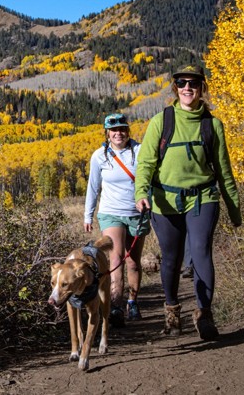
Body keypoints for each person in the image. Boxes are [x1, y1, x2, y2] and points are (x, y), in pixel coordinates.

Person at [134, 65, 241, 341]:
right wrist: (141, 193)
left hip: (203, 197)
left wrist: (234, 207)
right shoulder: (162, 121)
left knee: (201, 252)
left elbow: (224, 170)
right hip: (165, 201)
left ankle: (204, 314)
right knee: (171, 258)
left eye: (193, 83)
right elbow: (145, 162)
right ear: (175, 88)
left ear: (201, 88)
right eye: (181, 83)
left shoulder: (212, 125)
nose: (187, 88)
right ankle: (172, 311)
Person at [84, 112, 150, 328]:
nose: (118, 133)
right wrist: (88, 215)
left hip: (136, 213)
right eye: (113, 130)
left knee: (133, 262)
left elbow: (150, 178)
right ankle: (115, 306)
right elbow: (93, 187)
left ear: (127, 131)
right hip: (110, 212)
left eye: (122, 129)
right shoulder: (99, 156)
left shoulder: (140, 151)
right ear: (107, 133)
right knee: (116, 259)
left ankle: (132, 301)